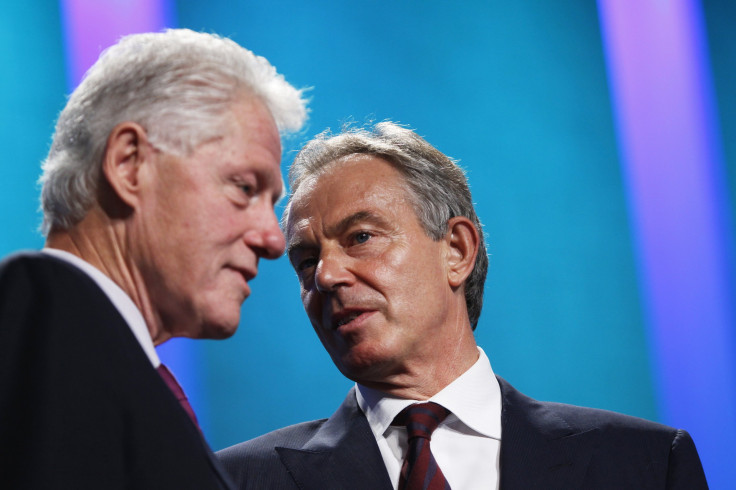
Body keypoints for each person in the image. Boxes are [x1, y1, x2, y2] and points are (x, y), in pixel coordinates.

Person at [217, 122, 708, 489]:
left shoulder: (643, 464)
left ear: (456, 250)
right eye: (306, 261)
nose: (325, 276)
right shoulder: (234, 480)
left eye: (361, 237)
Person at [0, 29, 306, 489]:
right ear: (129, 164)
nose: (274, 240)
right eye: (245, 187)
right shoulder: (46, 313)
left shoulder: (113, 367)